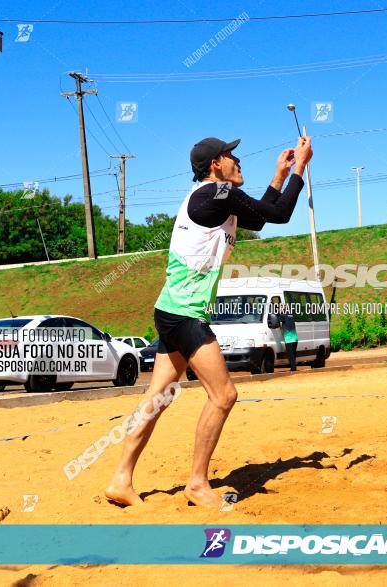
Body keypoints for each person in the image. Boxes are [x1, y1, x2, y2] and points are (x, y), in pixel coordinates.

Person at [105, 135, 314, 508]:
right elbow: (280, 215)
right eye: (231, 155)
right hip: (184, 313)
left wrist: (280, 174)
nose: (238, 160)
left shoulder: (215, 199)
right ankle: (198, 484)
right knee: (224, 395)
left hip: (171, 309)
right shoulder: (217, 194)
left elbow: (264, 217)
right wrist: (301, 166)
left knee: (156, 400)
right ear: (216, 164)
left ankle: (121, 479)